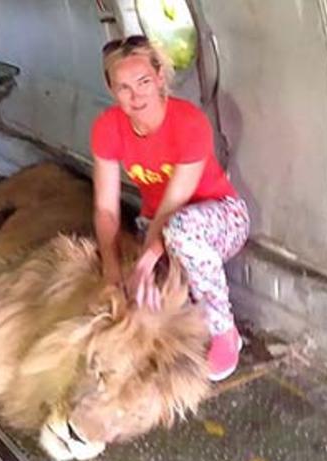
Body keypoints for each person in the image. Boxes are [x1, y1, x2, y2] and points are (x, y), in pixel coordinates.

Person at [89, 35, 250, 382]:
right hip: (158, 224)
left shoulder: (189, 122)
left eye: (144, 82)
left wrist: (147, 261)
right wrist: (111, 273)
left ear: (159, 77)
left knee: (177, 235)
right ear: (111, 89)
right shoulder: (107, 127)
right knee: (140, 291)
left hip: (219, 216)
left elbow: (173, 206)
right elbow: (106, 210)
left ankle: (225, 331)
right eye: (124, 87)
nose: (136, 96)